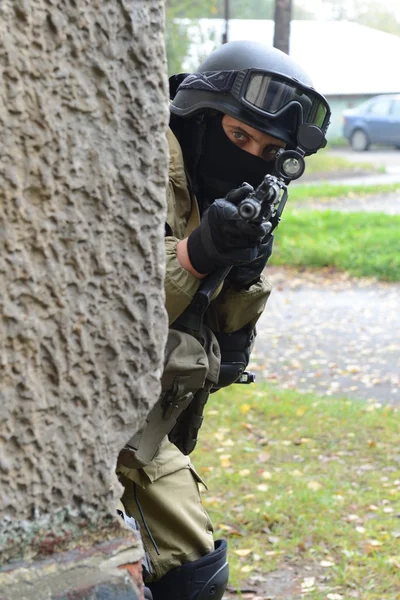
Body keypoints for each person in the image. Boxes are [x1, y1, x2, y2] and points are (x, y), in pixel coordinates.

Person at [116, 40, 331, 600]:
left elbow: (226, 347)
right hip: (84, 414)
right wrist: (197, 253)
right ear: (201, 120)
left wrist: (242, 271)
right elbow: (107, 314)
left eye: (266, 150)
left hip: (145, 423)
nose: (249, 156)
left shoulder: (226, 191)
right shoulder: (138, 165)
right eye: (238, 137)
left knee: (194, 575)